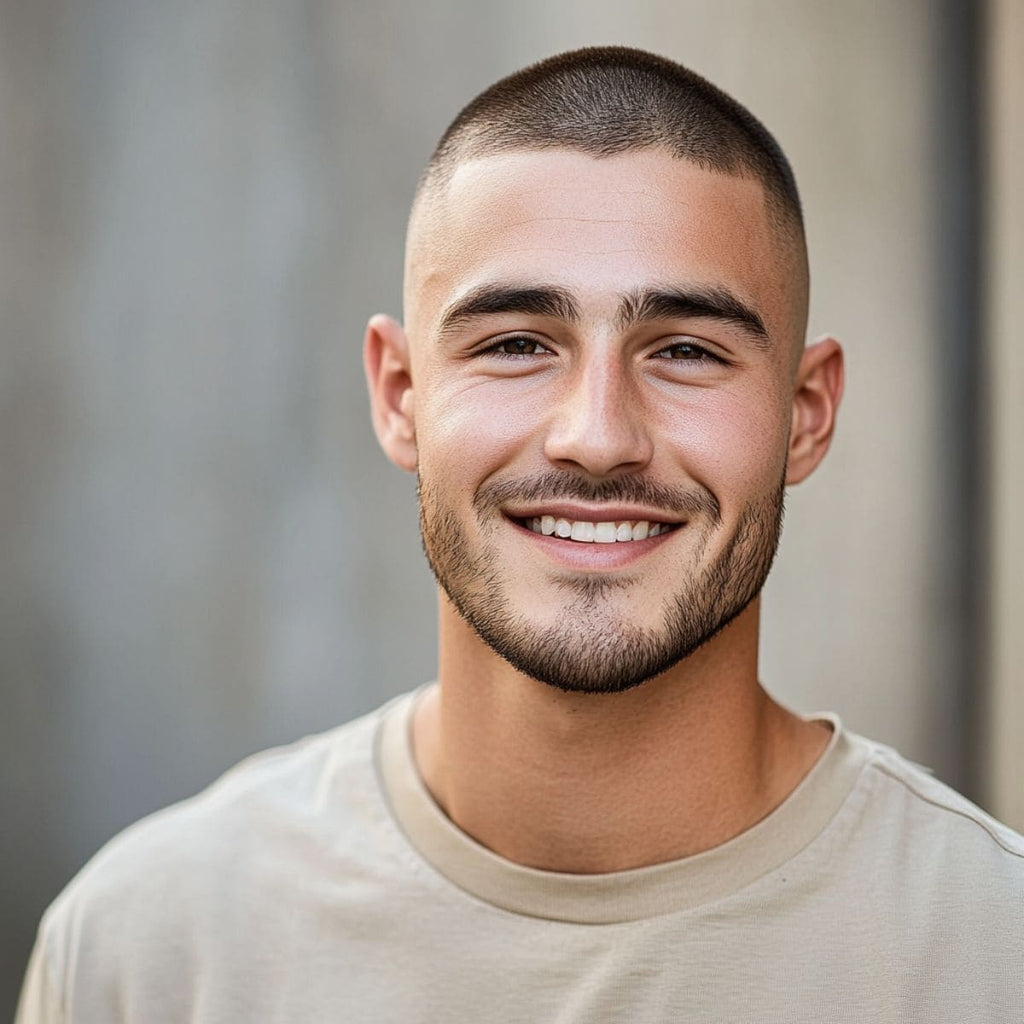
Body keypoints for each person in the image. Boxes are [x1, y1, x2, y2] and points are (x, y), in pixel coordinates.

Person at [17, 46, 1023, 1023]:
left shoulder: (991, 950)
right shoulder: (149, 951)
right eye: (513, 344)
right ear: (400, 394)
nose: (595, 436)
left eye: (682, 349)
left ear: (805, 412)